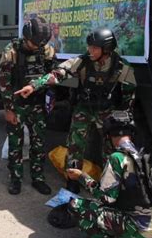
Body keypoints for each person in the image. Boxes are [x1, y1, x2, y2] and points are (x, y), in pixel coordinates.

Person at [16, 27, 136, 193]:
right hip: (84, 110)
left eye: (94, 48)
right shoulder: (84, 61)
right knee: (75, 147)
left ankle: (110, 187)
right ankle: (72, 182)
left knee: (110, 151)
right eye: (89, 47)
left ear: (106, 49)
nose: (90, 51)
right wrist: (34, 85)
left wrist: (121, 123)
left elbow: (128, 98)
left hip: (107, 113)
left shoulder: (122, 67)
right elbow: (59, 73)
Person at [66, 111, 152, 238]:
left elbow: (105, 198)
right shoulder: (140, 153)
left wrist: (81, 177)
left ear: (109, 136)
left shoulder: (117, 157)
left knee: (76, 205)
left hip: (137, 226)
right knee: (109, 214)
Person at [0, 17, 56, 195]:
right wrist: (8, 109)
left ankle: (38, 178)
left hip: (37, 104)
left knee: (38, 143)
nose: (37, 46)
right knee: (16, 143)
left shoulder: (45, 50)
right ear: (26, 36)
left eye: (40, 43)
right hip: (17, 104)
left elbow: (51, 75)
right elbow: (4, 82)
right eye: (34, 43)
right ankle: (15, 178)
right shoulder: (12, 51)